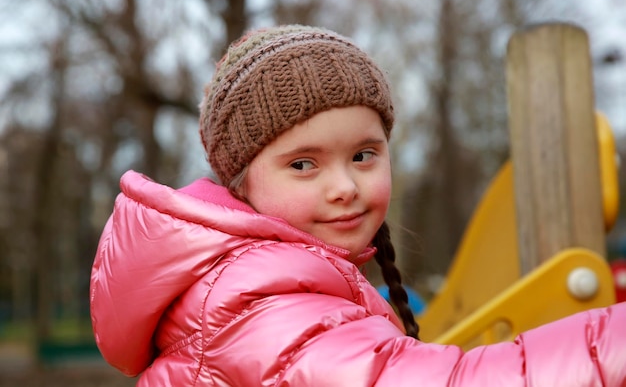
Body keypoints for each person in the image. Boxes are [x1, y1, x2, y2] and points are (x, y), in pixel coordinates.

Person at [90, 24, 626, 386]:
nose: (344, 186)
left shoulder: (261, 281)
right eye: (304, 164)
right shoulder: (253, 304)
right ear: (240, 184)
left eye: (364, 155)